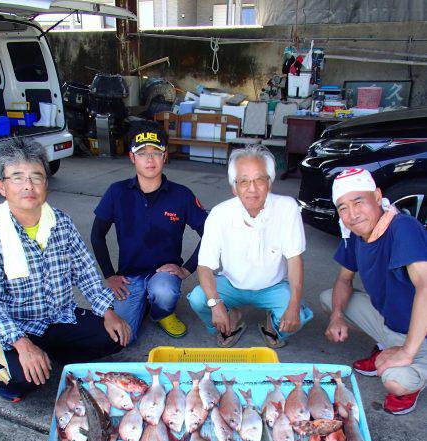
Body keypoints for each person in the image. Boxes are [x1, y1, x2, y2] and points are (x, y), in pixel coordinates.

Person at [0, 138, 130, 402]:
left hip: (61, 317)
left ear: (46, 184)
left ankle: (51, 354)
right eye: (17, 177)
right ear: (1, 186)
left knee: (115, 337)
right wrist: (22, 345)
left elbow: (85, 271)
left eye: (37, 177)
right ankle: (19, 357)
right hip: (22, 328)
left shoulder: (61, 222)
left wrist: (108, 311)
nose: (28, 186)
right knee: (17, 383)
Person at [321, 167, 427, 415]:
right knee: (330, 300)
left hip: (420, 333)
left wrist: (406, 352)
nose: (352, 214)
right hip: (389, 321)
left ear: (378, 197)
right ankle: (385, 345)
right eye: (343, 207)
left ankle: (410, 373)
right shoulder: (354, 233)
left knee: (395, 381)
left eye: (359, 202)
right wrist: (336, 316)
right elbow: (344, 280)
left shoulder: (403, 227)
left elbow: (425, 285)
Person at [91, 120, 207, 340]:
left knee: (164, 292)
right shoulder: (117, 192)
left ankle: (161, 313)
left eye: (156, 152)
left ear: (165, 157)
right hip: (128, 277)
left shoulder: (181, 195)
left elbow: (211, 233)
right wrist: (110, 275)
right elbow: (97, 235)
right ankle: (141, 300)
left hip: (163, 276)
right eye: (142, 153)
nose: (150, 159)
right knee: (122, 338)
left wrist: (186, 270)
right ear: (132, 157)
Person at [188, 145, 313, 348]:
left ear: (269, 183)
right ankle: (232, 318)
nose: (252, 189)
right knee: (198, 299)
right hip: (231, 284)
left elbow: (294, 260)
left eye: (259, 179)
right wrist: (215, 305)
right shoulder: (220, 214)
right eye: (243, 181)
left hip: (273, 286)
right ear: (234, 187)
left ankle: (271, 323)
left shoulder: (287, 208)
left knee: (296, 315)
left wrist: (293, 305)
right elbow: (204, 267)